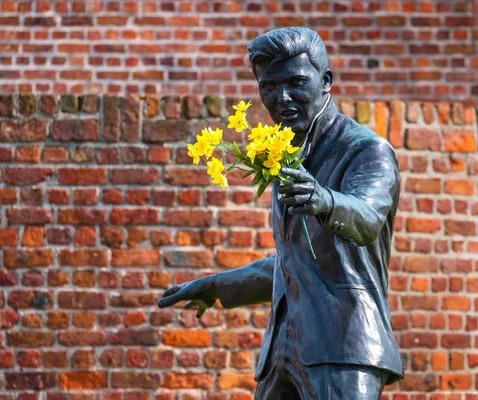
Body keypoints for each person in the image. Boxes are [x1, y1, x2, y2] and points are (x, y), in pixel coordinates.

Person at [158, 27, 404, 399]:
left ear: (326, 82)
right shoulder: (285, 153)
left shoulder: (367, 151)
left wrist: (325, 200)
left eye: (296, 82)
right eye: (269, 87)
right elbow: (294, 265)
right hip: (281, 351)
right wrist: (216, 285)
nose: (282, 98)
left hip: (343, 345)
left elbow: (369, 218)